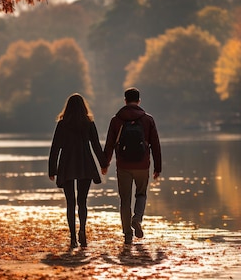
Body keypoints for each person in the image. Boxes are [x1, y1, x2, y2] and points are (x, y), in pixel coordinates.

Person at [103, 87, 161, 244]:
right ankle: (137, 219)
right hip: (143, 165)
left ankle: (127, 234)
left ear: (125, 100)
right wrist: (158, 167)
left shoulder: (116, 120)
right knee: (141, 194)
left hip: (123, 166)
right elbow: (155, 145)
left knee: (125, 200)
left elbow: (109, 144)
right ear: (139, 101)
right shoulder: (148, 119)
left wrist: (105, 163)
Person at [49, 93, 106, 249]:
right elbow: (96, 145)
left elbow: (55, 148)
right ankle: (82, 232)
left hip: (67, 164)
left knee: (70, 203)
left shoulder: (62, 124)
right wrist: (103, 164)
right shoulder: (88, 123)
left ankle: (73, 237)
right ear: (83, 107)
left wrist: (52, 170)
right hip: (85, 163)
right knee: (82, 201)